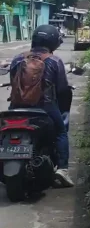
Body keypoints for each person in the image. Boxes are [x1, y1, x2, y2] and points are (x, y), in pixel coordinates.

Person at [8, 24, 74, 188]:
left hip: (16, 107)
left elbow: (13, 82)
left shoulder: (18, 58)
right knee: (61, 131)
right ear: (53, 42)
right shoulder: (54, 61)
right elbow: (62, 89)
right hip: (44, 108)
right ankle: (63, 169)